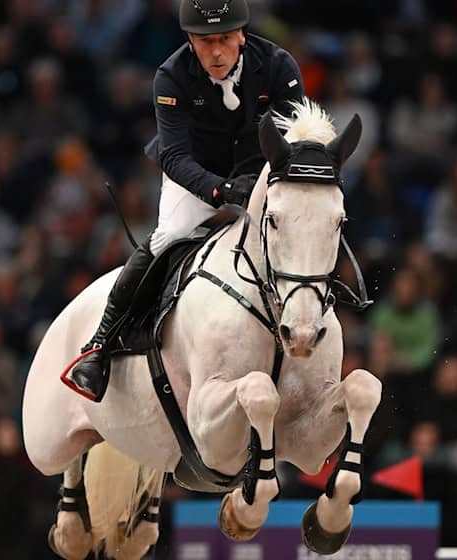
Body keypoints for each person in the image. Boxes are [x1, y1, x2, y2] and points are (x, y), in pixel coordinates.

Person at [64, 0, 304, 402]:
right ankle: (99, 347)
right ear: (190, 40)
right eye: (205, 40)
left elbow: (291, 139)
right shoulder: (171, 77)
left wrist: (258, 181)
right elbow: (175, 157)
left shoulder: (280, 67)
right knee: (169, 235)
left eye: (225, 39)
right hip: (196, 174)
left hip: (260, 171)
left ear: (241, 34)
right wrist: (220, 191)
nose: (216, 52)